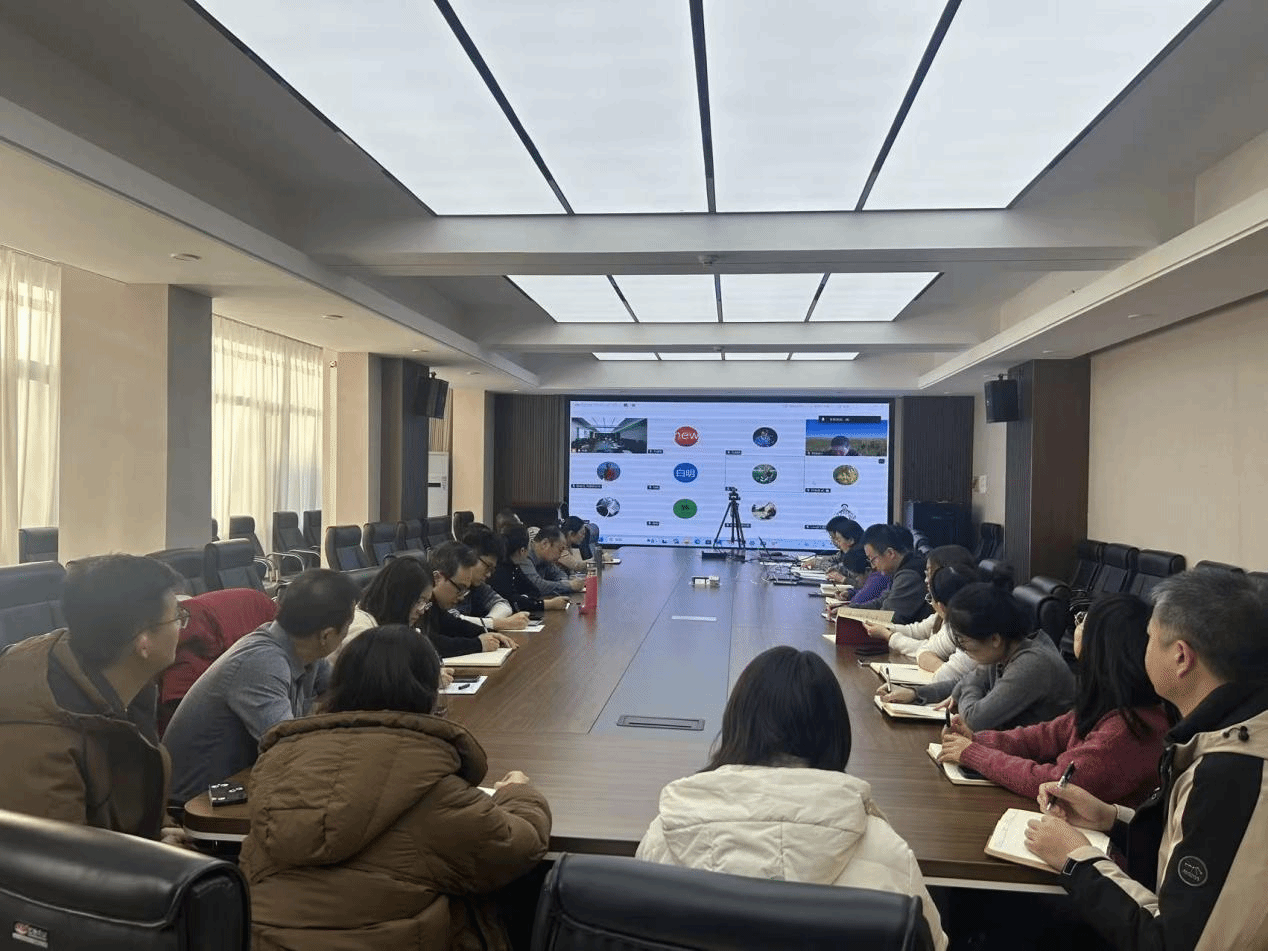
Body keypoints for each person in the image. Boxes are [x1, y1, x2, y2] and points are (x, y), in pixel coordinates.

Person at [240, 625, 552, 950]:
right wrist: (518, 794)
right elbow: (517, 848)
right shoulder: (430, 784)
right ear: (428, 692)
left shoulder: (278, 767)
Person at [636, 647, 947, 950]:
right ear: (835, 732)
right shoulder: (889, 853)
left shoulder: (666, 835)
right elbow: (932, 944)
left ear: (736, 723)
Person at [1023, 571, 1268, 951]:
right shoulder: (1225, 731)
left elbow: (1171, 942)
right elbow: (1192, 843)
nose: (1143, 648)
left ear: (1181, 657)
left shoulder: (1235, 774)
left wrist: (1075, 858)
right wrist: (1112, 818)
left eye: (1150, 637)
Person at [0, 554, 182, 838]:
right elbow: (59, 856)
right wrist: (153, 857)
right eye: (178, 617)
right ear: (143, 640)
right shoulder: (42, 733)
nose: (182, 627)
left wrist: (161, 835)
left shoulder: (132, 685)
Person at [937, 593, 1169, 805]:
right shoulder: (1109, 701)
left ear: (1103, 645)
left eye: (1084, 620)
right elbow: (1045, 736)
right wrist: (978, 740)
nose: (1078, 626)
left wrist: (975, 754)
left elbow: (1055, 782)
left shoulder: (1126, 730)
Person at [162, 569, 359, 803]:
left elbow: (346, 693)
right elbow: (289, 748)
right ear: (326, 636)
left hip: (241, 785)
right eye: (348, 626)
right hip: (197, 803)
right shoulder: (262, 662)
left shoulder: (307, 653)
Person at [881, 583, 1075, 731]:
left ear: (994, 639)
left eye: (964, 642)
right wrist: (916, 694)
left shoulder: (1031, 664)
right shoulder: (1005, 649)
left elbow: (975, 719)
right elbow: (964, 683)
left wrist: (966, 687)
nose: (963, 650)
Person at [866, 563, 979, 686]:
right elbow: (922, 644)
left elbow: (945, 676)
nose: (926, 580)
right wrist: (887, 629)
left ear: (941, 606)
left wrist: (888, 636)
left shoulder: (970, 632)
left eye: (929, 573)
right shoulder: (945, 620)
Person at [427, 542, 517, 659]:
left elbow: (454, 624)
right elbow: (429, 643)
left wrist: (487, 633)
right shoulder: (418, 603)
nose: (461, 597)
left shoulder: (436, 605)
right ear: (437, 578)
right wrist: (478, 644)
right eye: (460, 588)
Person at [853, 523, 929, 624]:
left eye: (873, 559)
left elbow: (889, 617)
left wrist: (851, 613)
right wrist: (848, 610)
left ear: (890, 553)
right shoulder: (901, 568)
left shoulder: (909, 575)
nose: (873, 566)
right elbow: (882, 602)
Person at [459, 530, 531, 631]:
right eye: (488, 566)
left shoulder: (477, 586)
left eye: (492, 569)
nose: (489, 574)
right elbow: (452, 620)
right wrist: (499, 624)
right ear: (470, 556)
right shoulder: (447, 582)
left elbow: (503, 604)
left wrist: (489, 623)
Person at [490, 526, 570, 614]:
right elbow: (512, 601)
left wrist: (524, 599)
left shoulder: (514, 566)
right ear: (522, 551)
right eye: (528, 547)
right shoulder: (501, 570)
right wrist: (548, 604)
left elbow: (534, 590)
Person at [522, 527, 585, 598]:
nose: (560, 555)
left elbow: (560, 573)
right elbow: (536, 585)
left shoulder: (545, 559)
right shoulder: (524, 555)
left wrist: (565, 583)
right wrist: (568, 585)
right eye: (560, 550)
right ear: (545, 544)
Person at [804, 516, 869, 581]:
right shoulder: (845, 552)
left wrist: (817, 563)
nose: (835, 542)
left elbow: (840, 569)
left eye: (837, 539)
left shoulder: (862, 555)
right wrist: (816, 561)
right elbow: (833, 560)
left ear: (851, 541)